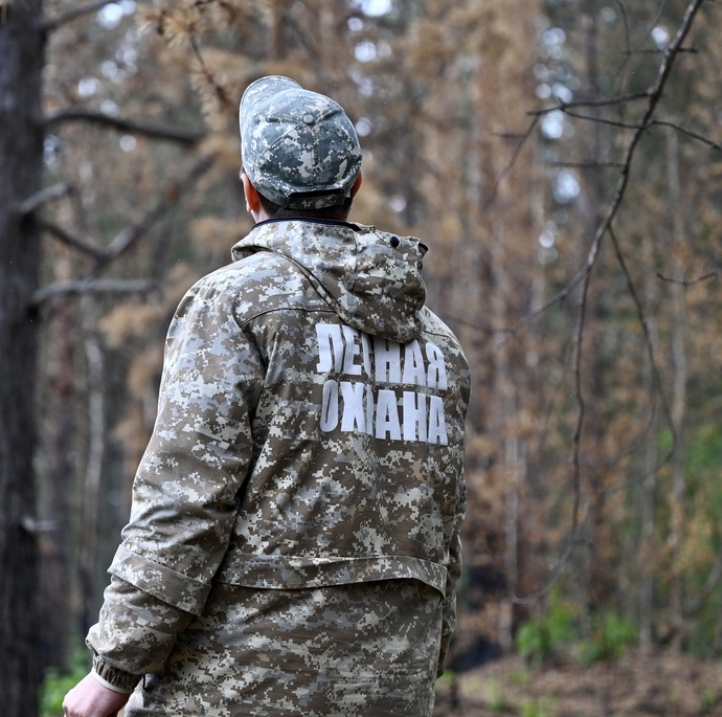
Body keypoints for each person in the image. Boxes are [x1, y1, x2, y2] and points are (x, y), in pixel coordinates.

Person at [63, 76, 471, 717]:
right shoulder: (437, 340)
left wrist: (113, 671)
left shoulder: (234, 305)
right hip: (394, 687)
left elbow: (186, 504)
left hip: (240, 687)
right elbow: (442, 533)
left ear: (250, 191)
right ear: (353, 187)